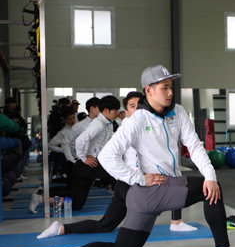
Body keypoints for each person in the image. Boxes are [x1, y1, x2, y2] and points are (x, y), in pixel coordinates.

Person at [28, 65, 235, 247]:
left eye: (171, 87)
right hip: (152, 189)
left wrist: (209, 175)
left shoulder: (179, 112)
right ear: (149, 90)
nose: (170, 92)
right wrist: (139, 178)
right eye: (164, 88)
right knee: (211, 189)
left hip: (146, 196)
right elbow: (107, 156)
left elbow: (193, 145)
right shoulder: (136, 121)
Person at [36, 91, 197, 238]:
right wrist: (83, 158)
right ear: (126, 112)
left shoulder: (143, 127)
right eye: (132, 106)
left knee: (106, 225)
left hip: (126, 184)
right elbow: (108, 155)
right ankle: (174, 223)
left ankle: (61, 228)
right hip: (130, 185)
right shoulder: (127, 129)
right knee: (165, 195)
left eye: (139, 105)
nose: (137, 109)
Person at [48, 107, 76, 179]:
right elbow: (50, 145)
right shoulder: (63, 133)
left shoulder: (80, 127)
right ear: (65, 120)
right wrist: (64, 150)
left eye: (73, 117)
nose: (72, 120)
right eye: (69, 119)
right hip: (71, 160)